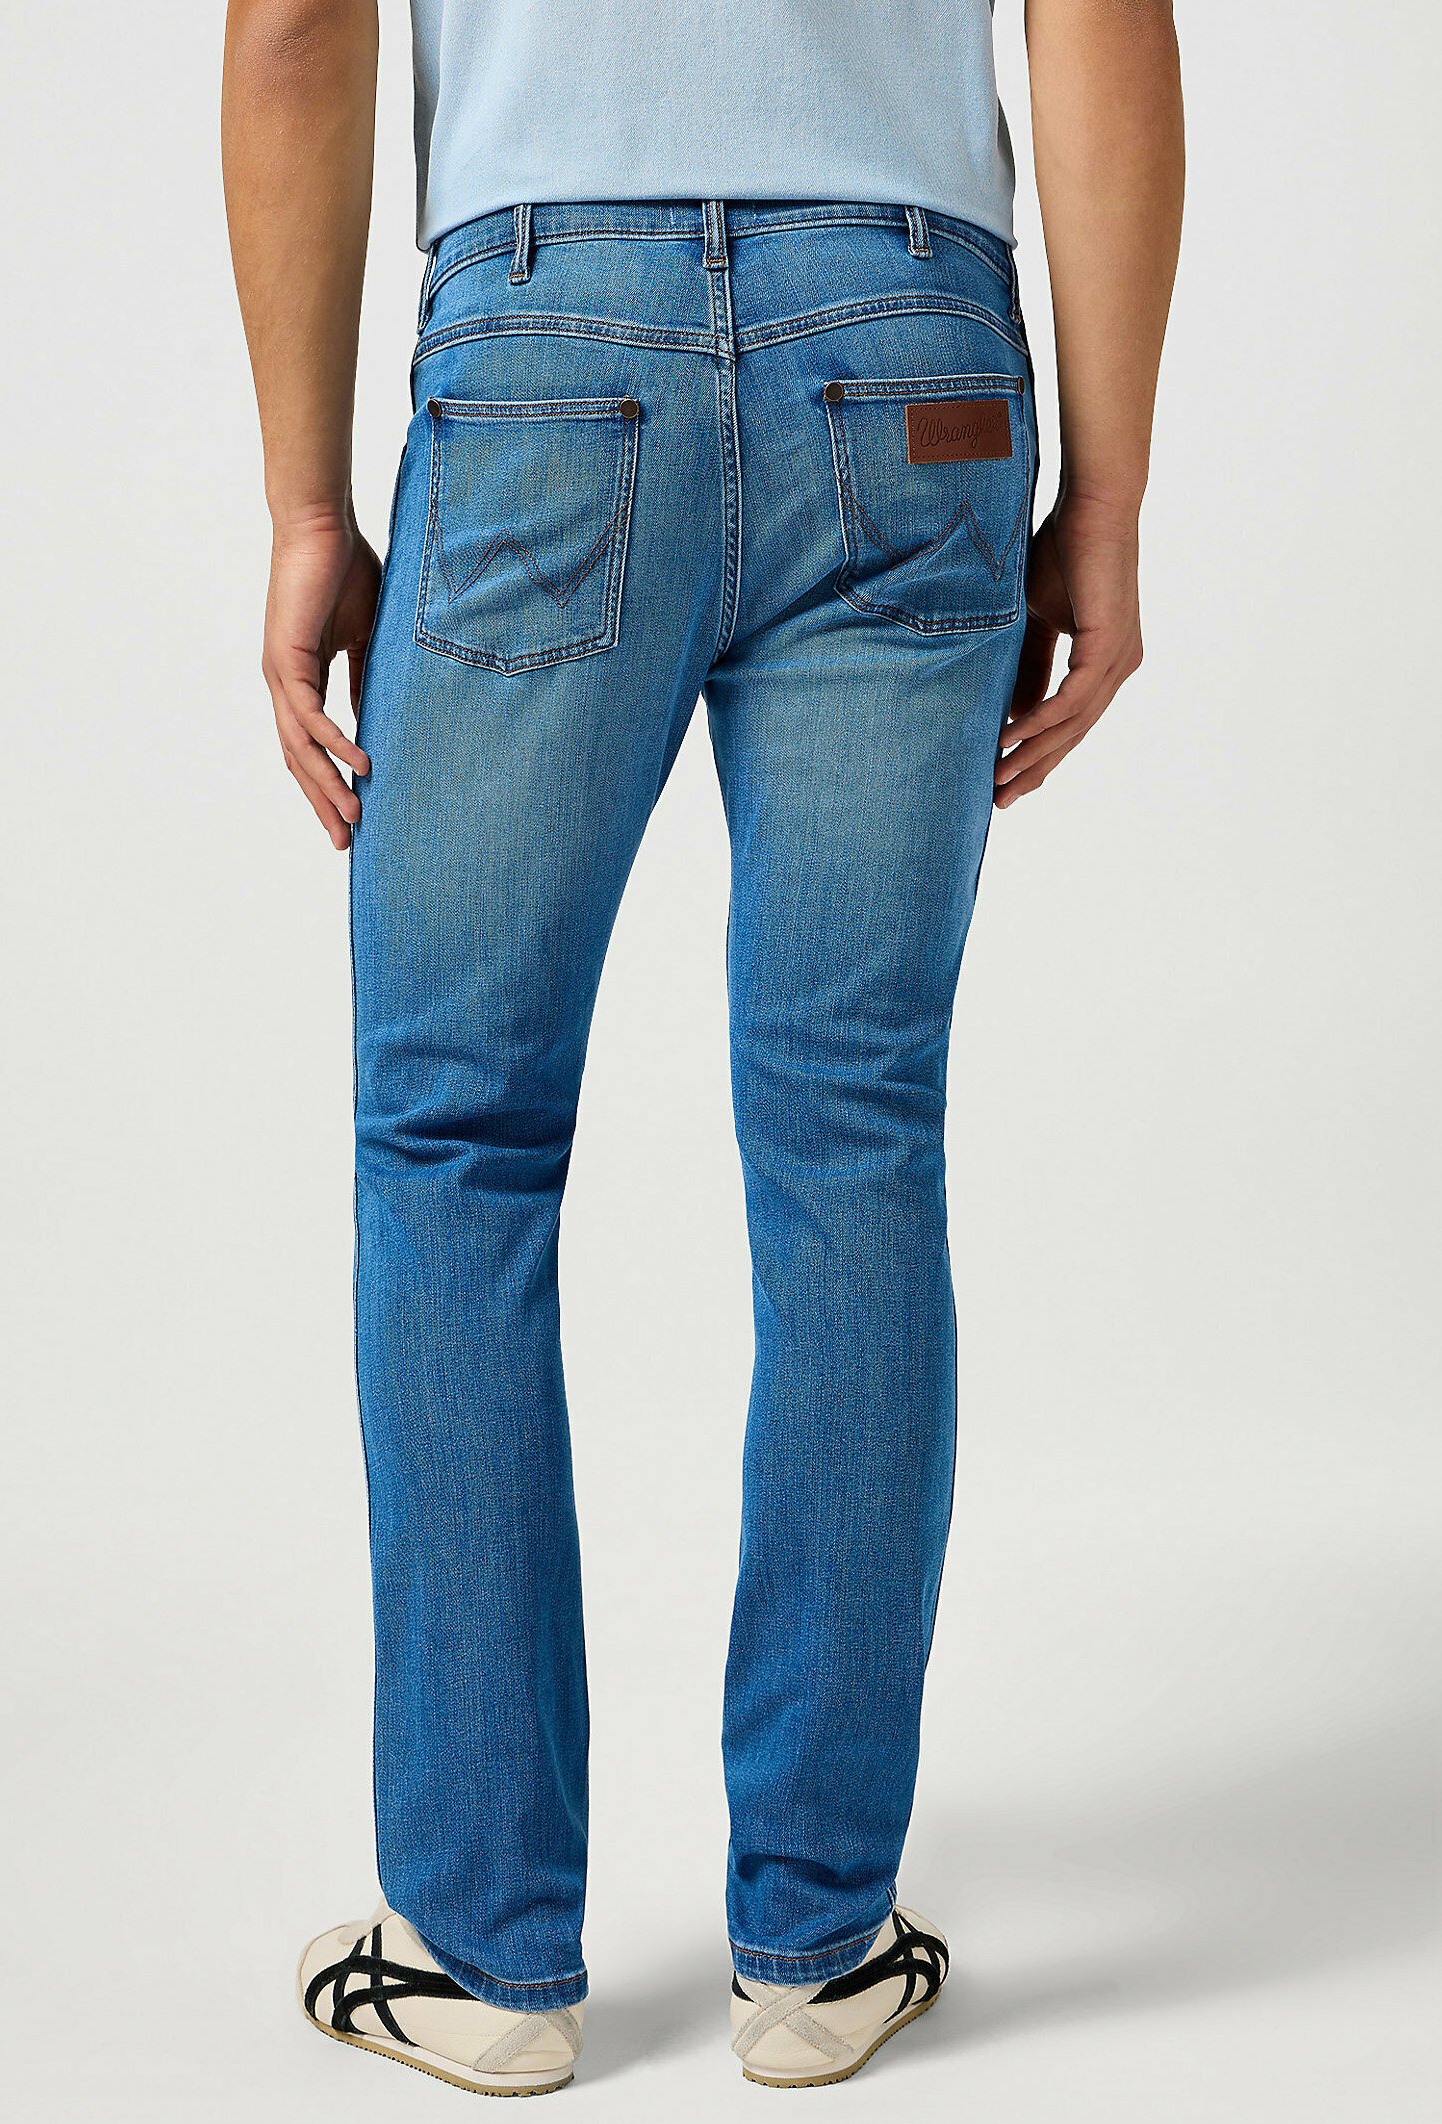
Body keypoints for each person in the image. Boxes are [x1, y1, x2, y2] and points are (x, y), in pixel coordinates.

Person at [223, 0, 1182, 2094]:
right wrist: (1105, 497)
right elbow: (1102, 16)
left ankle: (483, 1954)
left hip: (546, 362)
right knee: (855, 1138)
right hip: (915, 371)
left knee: (458, 1140)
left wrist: (306, 508)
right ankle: (820, 1948)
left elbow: (292, 25)